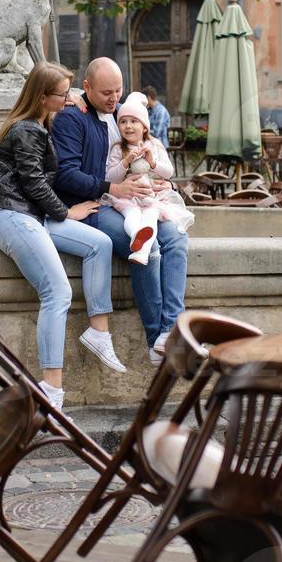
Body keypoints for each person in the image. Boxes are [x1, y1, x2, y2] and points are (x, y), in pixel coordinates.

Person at [0, 62, 120, 409]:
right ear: (44, 98)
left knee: (99, 243)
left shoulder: (41, 122)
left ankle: (98, 331)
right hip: (12, 216)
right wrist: (66, 212)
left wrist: (74, 95)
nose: (70, 100)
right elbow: (33, 184)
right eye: (63, 95)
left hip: (33, 215)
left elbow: (38, 184)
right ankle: (52, 391)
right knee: (58, 291)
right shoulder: (26, 130)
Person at [52, 57, 189, 366]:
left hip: (137, 200)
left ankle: (171, 331)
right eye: (106, 93)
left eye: (119, 90)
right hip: (95, 206)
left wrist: (163, 185)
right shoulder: (72, 117)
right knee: (146, 244)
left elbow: (147, 150)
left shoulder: (117, 115)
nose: (114, 99)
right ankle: (156, 340)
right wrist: (115, 190)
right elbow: (66, 175)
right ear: (87, 88)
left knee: (177, 238)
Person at [103, 92, 193, 265]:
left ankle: (142, 252)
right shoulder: (117, 149)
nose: (128, 126)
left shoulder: (154, 145)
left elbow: (169, 172)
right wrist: (125, 162)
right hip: (128, 198)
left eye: (133, 121)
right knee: (132, 215)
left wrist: (153, 162)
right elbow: (109, 177)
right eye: (123, 121)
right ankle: (137, 236)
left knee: (151, 214)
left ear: (144, 126)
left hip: (153, 196)